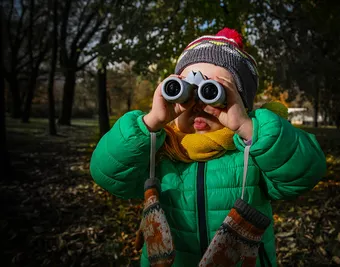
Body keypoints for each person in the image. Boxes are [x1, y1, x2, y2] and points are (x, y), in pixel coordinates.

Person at [90, 28, 327, 267]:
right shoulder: (160, 150)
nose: (198, 104)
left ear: (239, 103)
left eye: (213, 91)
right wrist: (150, 123)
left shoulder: (251, 151)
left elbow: (305, 172)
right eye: (186, 91)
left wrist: (248, 127)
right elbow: (106, 172)